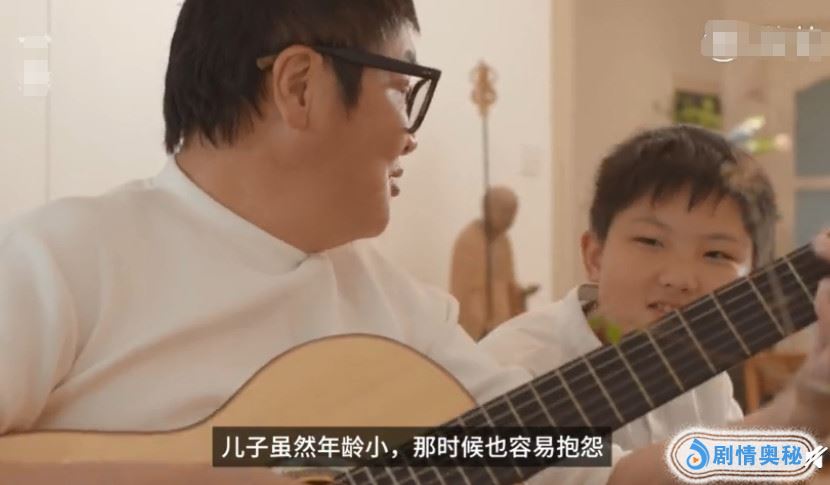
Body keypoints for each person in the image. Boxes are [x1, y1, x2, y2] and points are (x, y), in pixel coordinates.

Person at [0, 1, 828, 484]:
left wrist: (797, 420)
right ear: (300, 85)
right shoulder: (62, 260)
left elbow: (594, 470)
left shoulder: (404, 317)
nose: (410, 136)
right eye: (405, 91)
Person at [480, 125, 776, 482]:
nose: (680, 278)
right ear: (595, 257)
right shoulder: (513, 366)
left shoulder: (706, 369)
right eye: (651, 241)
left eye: (716, 254)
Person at [450, 185, 539, 341]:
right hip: (479, 330)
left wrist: (521, 294)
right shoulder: (469, 241)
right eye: (505, 212)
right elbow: (464, 293)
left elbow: (507, 283)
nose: (510, 219)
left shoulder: (503, 240)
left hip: (502, 327)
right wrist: (483, 325)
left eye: (513, 213)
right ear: (488, 209)